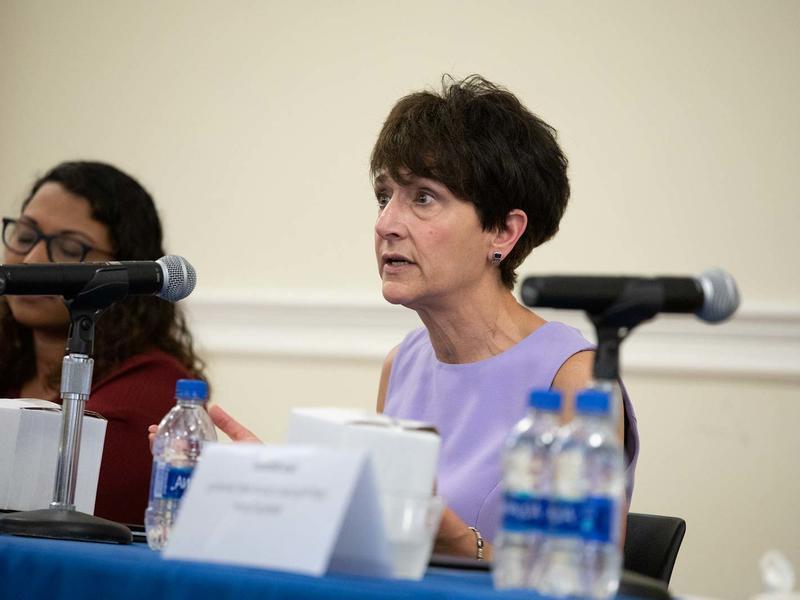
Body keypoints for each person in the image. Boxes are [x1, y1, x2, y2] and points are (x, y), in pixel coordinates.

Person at [199, 75, 639, 561]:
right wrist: (274, 490)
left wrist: (450, 536)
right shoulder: (402, 365)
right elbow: (380, 550)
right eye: (384, 196)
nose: (386, 223)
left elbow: (579, 577)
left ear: (503, 232)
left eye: (423, 197)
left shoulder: (575, 377)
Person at [0, 161, 205, 525]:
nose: (32, 261)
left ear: (123, 271)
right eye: (26, 237)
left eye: (68, 247)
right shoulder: (11, 361)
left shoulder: (153, 387)